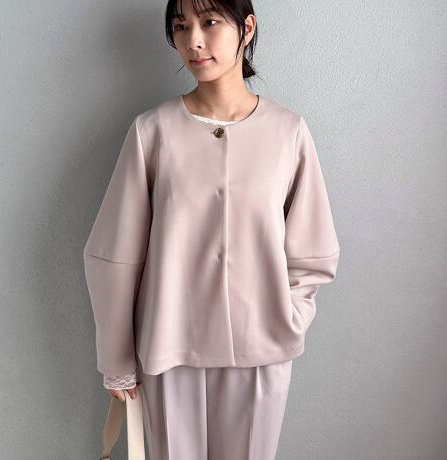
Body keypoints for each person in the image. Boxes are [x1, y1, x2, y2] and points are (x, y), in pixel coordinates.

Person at [83, 0, 340, 458]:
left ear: (247, 28)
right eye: (181, 27)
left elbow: (313, 251)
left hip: (261, 348)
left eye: (210, 22)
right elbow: (115, 255)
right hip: (170, 346)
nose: (194, 41)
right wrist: (117, 359)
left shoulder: (288, 133)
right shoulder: (152, 132)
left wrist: (289, 315)